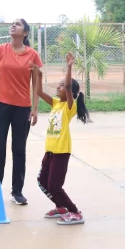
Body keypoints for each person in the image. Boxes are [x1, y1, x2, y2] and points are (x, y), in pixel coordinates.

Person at [0, 18, 43, 207]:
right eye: (13, 23)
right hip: (0, 105)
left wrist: (34, 109)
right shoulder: (0, 50)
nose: (13, 25)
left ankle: (17, 191)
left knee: (19, 150)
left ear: (25, 33)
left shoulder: (32, 55)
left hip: (22, 108)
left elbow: (36, 85)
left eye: (18, 24)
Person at [36, 52, 90, 225]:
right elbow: (37, 91)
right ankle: (61, 207)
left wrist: (69, 67)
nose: (58, 87)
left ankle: (75, 212)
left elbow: (68, 88)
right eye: (58, 85)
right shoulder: (55, 103)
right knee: (42, 181)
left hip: (61, 152)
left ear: (70, 92)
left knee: (54, 186)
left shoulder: (69, 106)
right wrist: (38, 74)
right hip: (50, 152)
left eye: (61, 86)